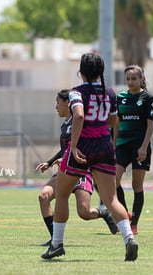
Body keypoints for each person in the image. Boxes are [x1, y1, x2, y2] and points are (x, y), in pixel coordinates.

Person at [41, 53, 138, 261]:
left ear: (81, 72)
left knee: (62, 193)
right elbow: (113, 121)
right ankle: (129, 238)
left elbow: (79, 115)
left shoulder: (77, 92)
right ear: (101, 72)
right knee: (111, 199)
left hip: (83, 148)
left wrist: (74, 145)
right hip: (104, 147)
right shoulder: (110, 93)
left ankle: (57, 244)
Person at [37, 89, 117, 246]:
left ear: (67, 103)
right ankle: (55, 240)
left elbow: (83, 146)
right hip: (65, 170)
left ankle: (104, 213)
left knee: (84, 213)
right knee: (43, 197)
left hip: (80, 170)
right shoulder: (64, 125)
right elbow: (65, 149)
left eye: (57, 102)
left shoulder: (80, 122)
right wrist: (50, 161)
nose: (56, 107)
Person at [114, 65, 153, 235]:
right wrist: (113, 144)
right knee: (114, 181)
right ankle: (125, 214)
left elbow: (150, 124)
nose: (130, 81)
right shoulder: (120, 97)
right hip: (122, 145)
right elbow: (116, 123)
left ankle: (134, 224)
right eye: (128, 79)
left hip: (140, 146)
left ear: (141, 79)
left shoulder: (147, 98)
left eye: (134, 78)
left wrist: (144, 146)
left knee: (136, 185)